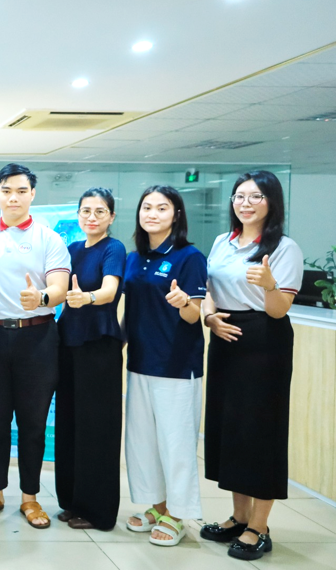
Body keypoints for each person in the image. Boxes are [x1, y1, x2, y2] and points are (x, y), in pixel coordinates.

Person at [199, 171, 303, 561]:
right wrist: (210, 317)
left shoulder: (284, 248)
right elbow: (208, 290)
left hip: (264, 340)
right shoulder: (222, 242)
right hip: (224, 335)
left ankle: (259, 526)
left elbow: (279, 309)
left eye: (255, 196)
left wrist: (270, 284)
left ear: (271, 202)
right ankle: (239, 517)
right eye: (239, 196)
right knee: (230, 429)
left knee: (260, 431)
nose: (245, 203)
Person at [0, 163, 70, 528]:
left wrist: (41, 297)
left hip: (37, 338)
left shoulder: (49, 239)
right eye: (7, 190)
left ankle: (30, 498)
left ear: (32, 195)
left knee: (33, 423)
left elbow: (59, 287)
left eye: (21, 191)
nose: (14, 197)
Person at [122, 186, 207, 547]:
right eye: (147, 207)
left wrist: (184, 301)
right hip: (140, 361)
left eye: (162, 208)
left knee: (176, 443)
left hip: (176, 364)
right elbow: (131, 311)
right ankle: (157, 506)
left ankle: (178, 513)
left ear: (176, 215)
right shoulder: (133, 257)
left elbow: (194, 315)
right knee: (143, 442)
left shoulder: (190, 257)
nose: (152, 214)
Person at [55, 187, 126, 531]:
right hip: (68, 343)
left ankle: (98, 511)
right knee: (70, 423)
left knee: (97, 428)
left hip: (99, 346)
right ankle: (72, 501)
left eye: (100, 212)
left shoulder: (114, 248)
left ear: (111, 217)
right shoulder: (71, 250)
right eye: (86, 211)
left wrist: (87, 298)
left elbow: (110, 290)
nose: (92, 217)